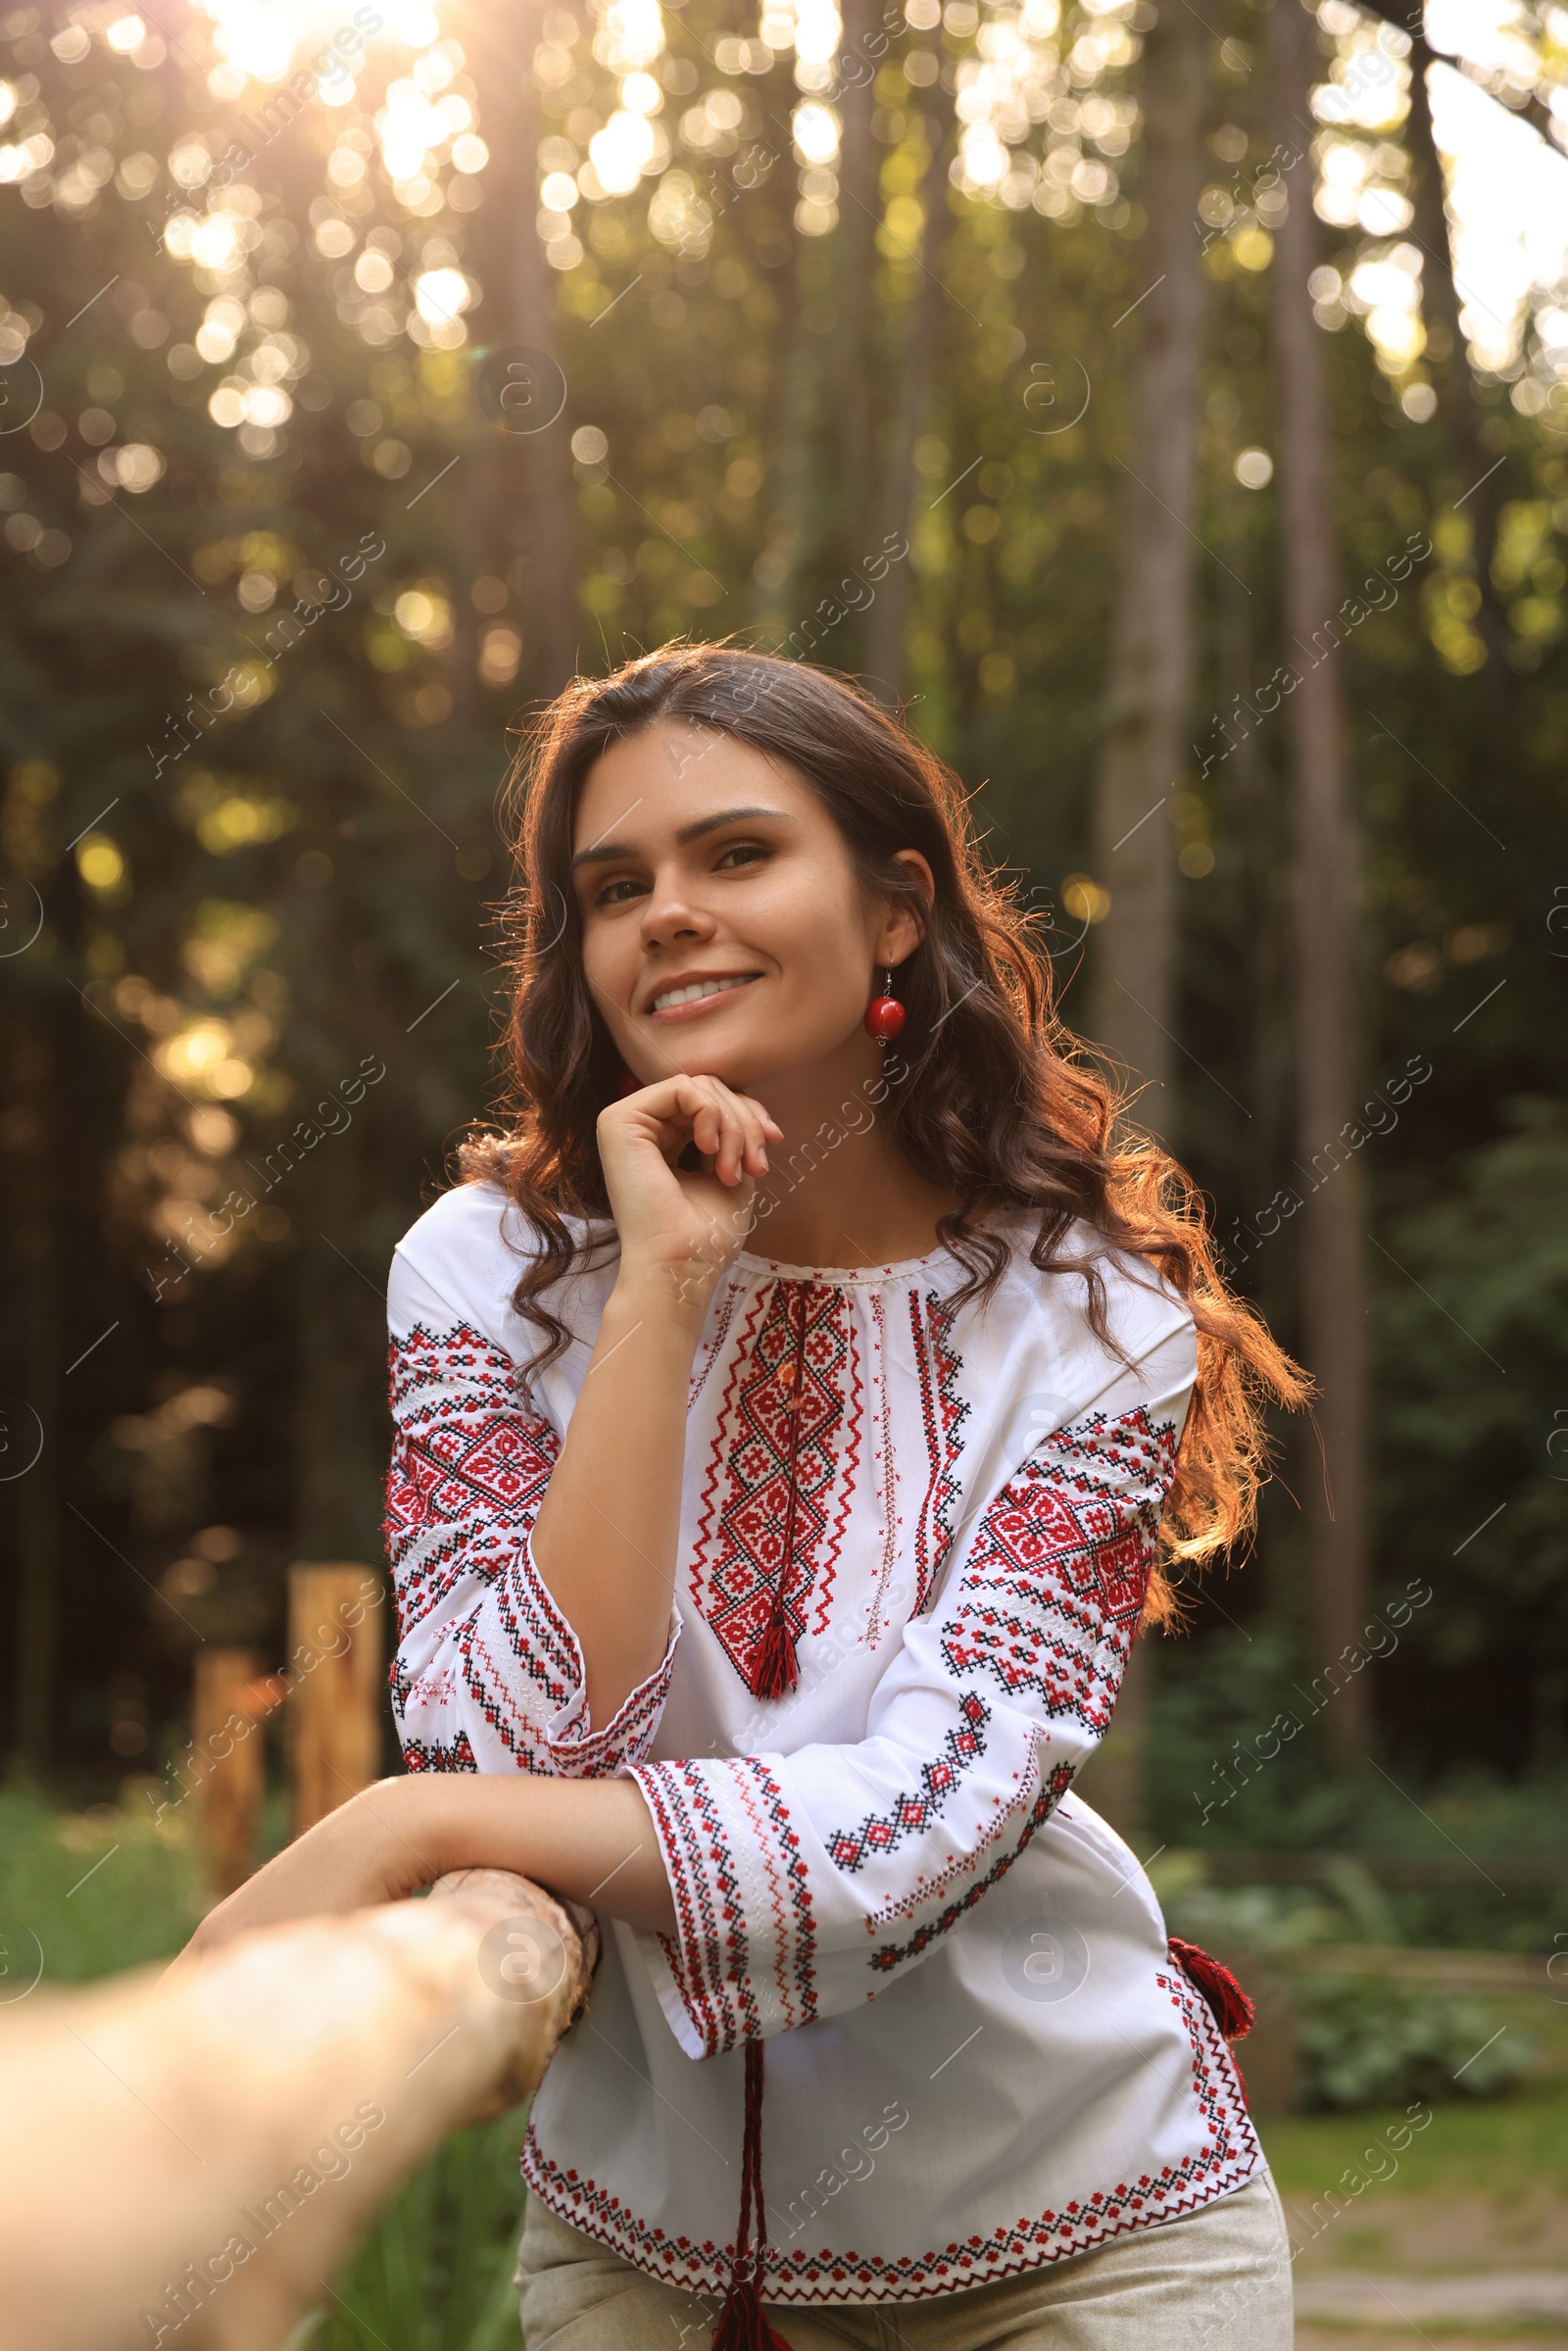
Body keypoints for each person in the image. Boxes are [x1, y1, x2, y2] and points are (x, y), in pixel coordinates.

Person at [191, 646, 1305, 2348]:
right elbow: (515, 1747)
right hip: (649, 2261)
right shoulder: (484, 1275)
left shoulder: (1090, 1323)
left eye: (737, 855)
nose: (670, 916)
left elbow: (917, 1829)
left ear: (894, 910)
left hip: (1083, 2245)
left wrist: (398, 1824)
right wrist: (660, 1293)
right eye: (614, 886)